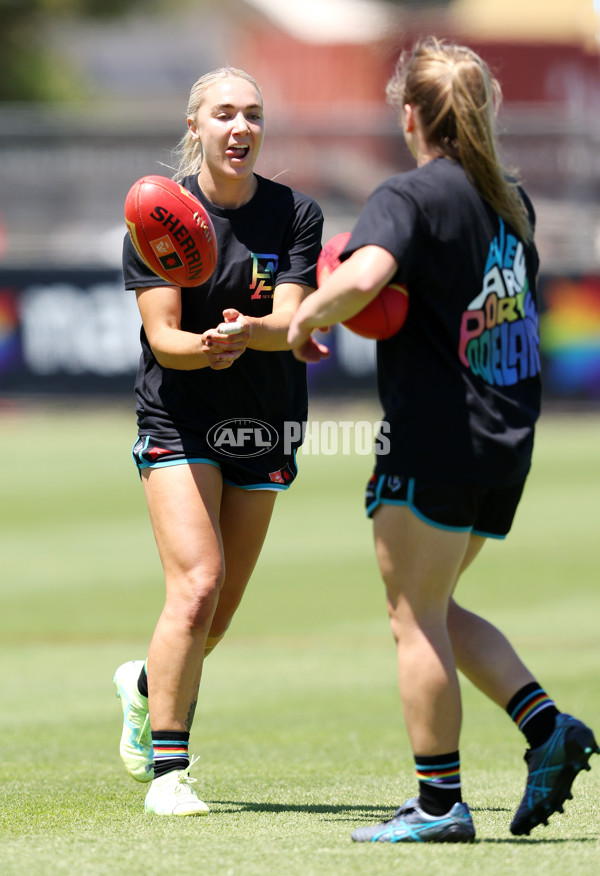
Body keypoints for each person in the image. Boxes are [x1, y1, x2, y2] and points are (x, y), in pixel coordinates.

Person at [288, 37, 598, 843]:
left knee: (412, 617)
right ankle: (546, 729)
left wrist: (306, 316)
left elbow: (363, 279)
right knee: (438, 606)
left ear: (410, 115)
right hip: (504, 441)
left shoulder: (410, 194)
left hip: (436, 434)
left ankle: (437, 806)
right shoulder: (510, 200)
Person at [115, 66, 323, 816]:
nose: (241, 127)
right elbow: (164, 337)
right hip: (179, 413)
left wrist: (251, 331)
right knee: (197, 584)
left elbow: (292, 323)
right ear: (196, 126)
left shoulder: (296, 213)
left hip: (265, 418)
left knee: (218, 616)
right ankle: (169, 771)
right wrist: (207, 345)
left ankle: (144, 686)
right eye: (225, 114)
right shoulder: (158, 210)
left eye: (254, 115)